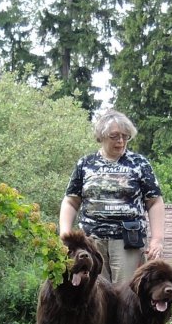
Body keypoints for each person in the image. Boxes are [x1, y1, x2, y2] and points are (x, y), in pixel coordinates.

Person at [59, 109, 165, 283]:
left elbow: (155, 202)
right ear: (101, 136)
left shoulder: (140, 164)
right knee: (95, 292)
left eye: (125, 136)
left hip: (128, 241)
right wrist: (65, 236)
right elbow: (71, 201)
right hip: (91, 241)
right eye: (114, 136)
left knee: (126, 292)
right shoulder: (85, 164)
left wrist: (157, 240)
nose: (121, 141)